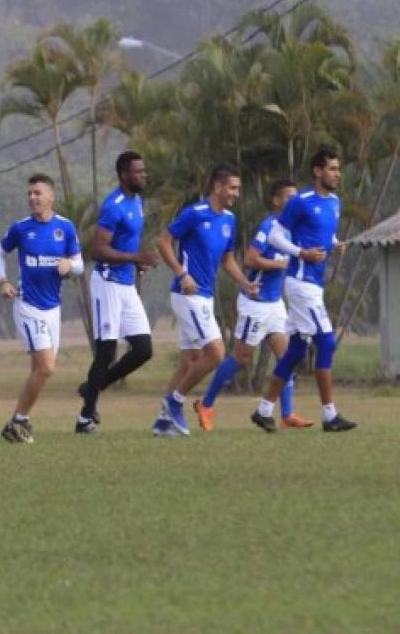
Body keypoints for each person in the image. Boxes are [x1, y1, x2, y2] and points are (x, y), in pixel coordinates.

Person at [193, 180, 313, 430]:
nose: (295, 202)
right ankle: (205, 403)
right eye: (289, 198)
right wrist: (279, 265)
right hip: (255, 303)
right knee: (241, 358)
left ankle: (287, 413)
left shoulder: (295, 228)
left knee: (287, 357)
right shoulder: (269, 226)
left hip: (275, 303)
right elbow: (250, 259)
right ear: (277, 201)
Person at [251, 149, 356, 433]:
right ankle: (330, 415)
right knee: (327, 342)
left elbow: (323, 232)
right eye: (332, 168)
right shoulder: (300, 202)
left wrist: (334, 243)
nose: (337, 173)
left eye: (338, 169)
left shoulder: (334, 202)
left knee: (295, 350)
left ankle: (263, 410)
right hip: (300, 283)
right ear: (317, 171)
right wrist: (301, 253)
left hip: (314, 284)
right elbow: (275, 235)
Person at [152, 165, 258, 436]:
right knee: (216, 353)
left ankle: (163, 422)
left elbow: (226, 259)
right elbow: (163, 242)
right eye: (233, 187)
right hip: (188, 296)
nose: (236, 193)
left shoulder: (230, 220)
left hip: (205, 298)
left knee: (190, 360)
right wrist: (181, 273)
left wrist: (244, 283)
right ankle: (175, 403)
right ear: (218, 187)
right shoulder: (194, 214)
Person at [0, 174, 83, 443]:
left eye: (37, 193)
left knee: (39, 370)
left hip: (52, 309)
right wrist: (3, 281)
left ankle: (21, 421)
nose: (32, 198)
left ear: (51, 197)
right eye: (29, 193)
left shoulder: (65, 228)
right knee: (46, 367)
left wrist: (69, 265)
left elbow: (78, 263)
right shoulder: (21, 228)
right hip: (27, 306)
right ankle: (18, 421)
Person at [76, 151, 157, 433]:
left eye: (144, 171)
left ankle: (92, 387)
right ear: (124, 175)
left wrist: (138, 264)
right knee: (106, 350)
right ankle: (85, 418)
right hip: (107, 283)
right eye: (138, 172)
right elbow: (98, 250)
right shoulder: (114, 206)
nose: (143, 175)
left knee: (144, 349)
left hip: (125, 284)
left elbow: (125, 243)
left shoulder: (137, 201)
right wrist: (136, 258)